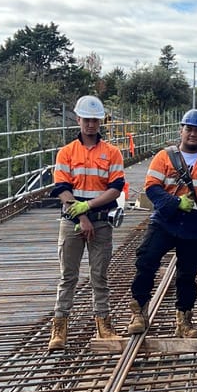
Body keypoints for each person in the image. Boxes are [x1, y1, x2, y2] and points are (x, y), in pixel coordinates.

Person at [127, 109, 197, 338]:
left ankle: (184, 319)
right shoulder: (165, 157)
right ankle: (138, 312)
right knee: (146, 261)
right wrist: (174, 203)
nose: (193, 134)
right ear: (181, 130)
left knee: (187, 274)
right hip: (166, 221)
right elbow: (152, 187)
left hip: (196, 226)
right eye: (189, 129)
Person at [48, 95, 126, 351]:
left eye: (94, 120)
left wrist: (90, 208)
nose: (90, 124)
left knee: (99, 276)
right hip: (72, 222)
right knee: (68, 276)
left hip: (101, 221)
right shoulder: (67, 152)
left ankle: (103, 322)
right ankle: (59, 326)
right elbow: (61, 187)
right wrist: (80, 216)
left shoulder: (112, 153)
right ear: (78, 119)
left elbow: (115, 188)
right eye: (86, 119)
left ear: (99, 122)